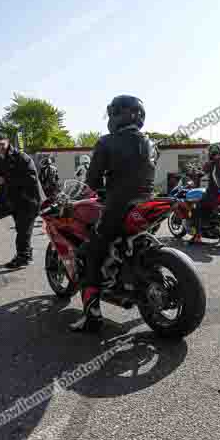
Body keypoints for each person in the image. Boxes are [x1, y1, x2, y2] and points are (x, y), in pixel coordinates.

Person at [76, 94, 156, 333]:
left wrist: (99, 191)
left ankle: (92, 317)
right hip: (146, 205)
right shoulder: (150, 143)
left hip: (119, 206)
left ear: (119, 114)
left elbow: (92, 180)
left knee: (90, 252)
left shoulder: (106, 142)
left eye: (112, 113)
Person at [0, 131, 45, 269]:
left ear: (7, 142)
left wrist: (5, 180)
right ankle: (26, 254)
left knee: (23, 230)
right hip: (14, 200)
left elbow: (31, 179)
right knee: (21, 228)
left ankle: (23, 257)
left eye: (1, 144)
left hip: (29, 199)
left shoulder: (21, 157)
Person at [193, 143, 220, 243]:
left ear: (211, 153)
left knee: (197, 208)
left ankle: (197, 235)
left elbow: (201, 173)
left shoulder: (210, 163)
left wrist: (195, 174)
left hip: (213, 192)